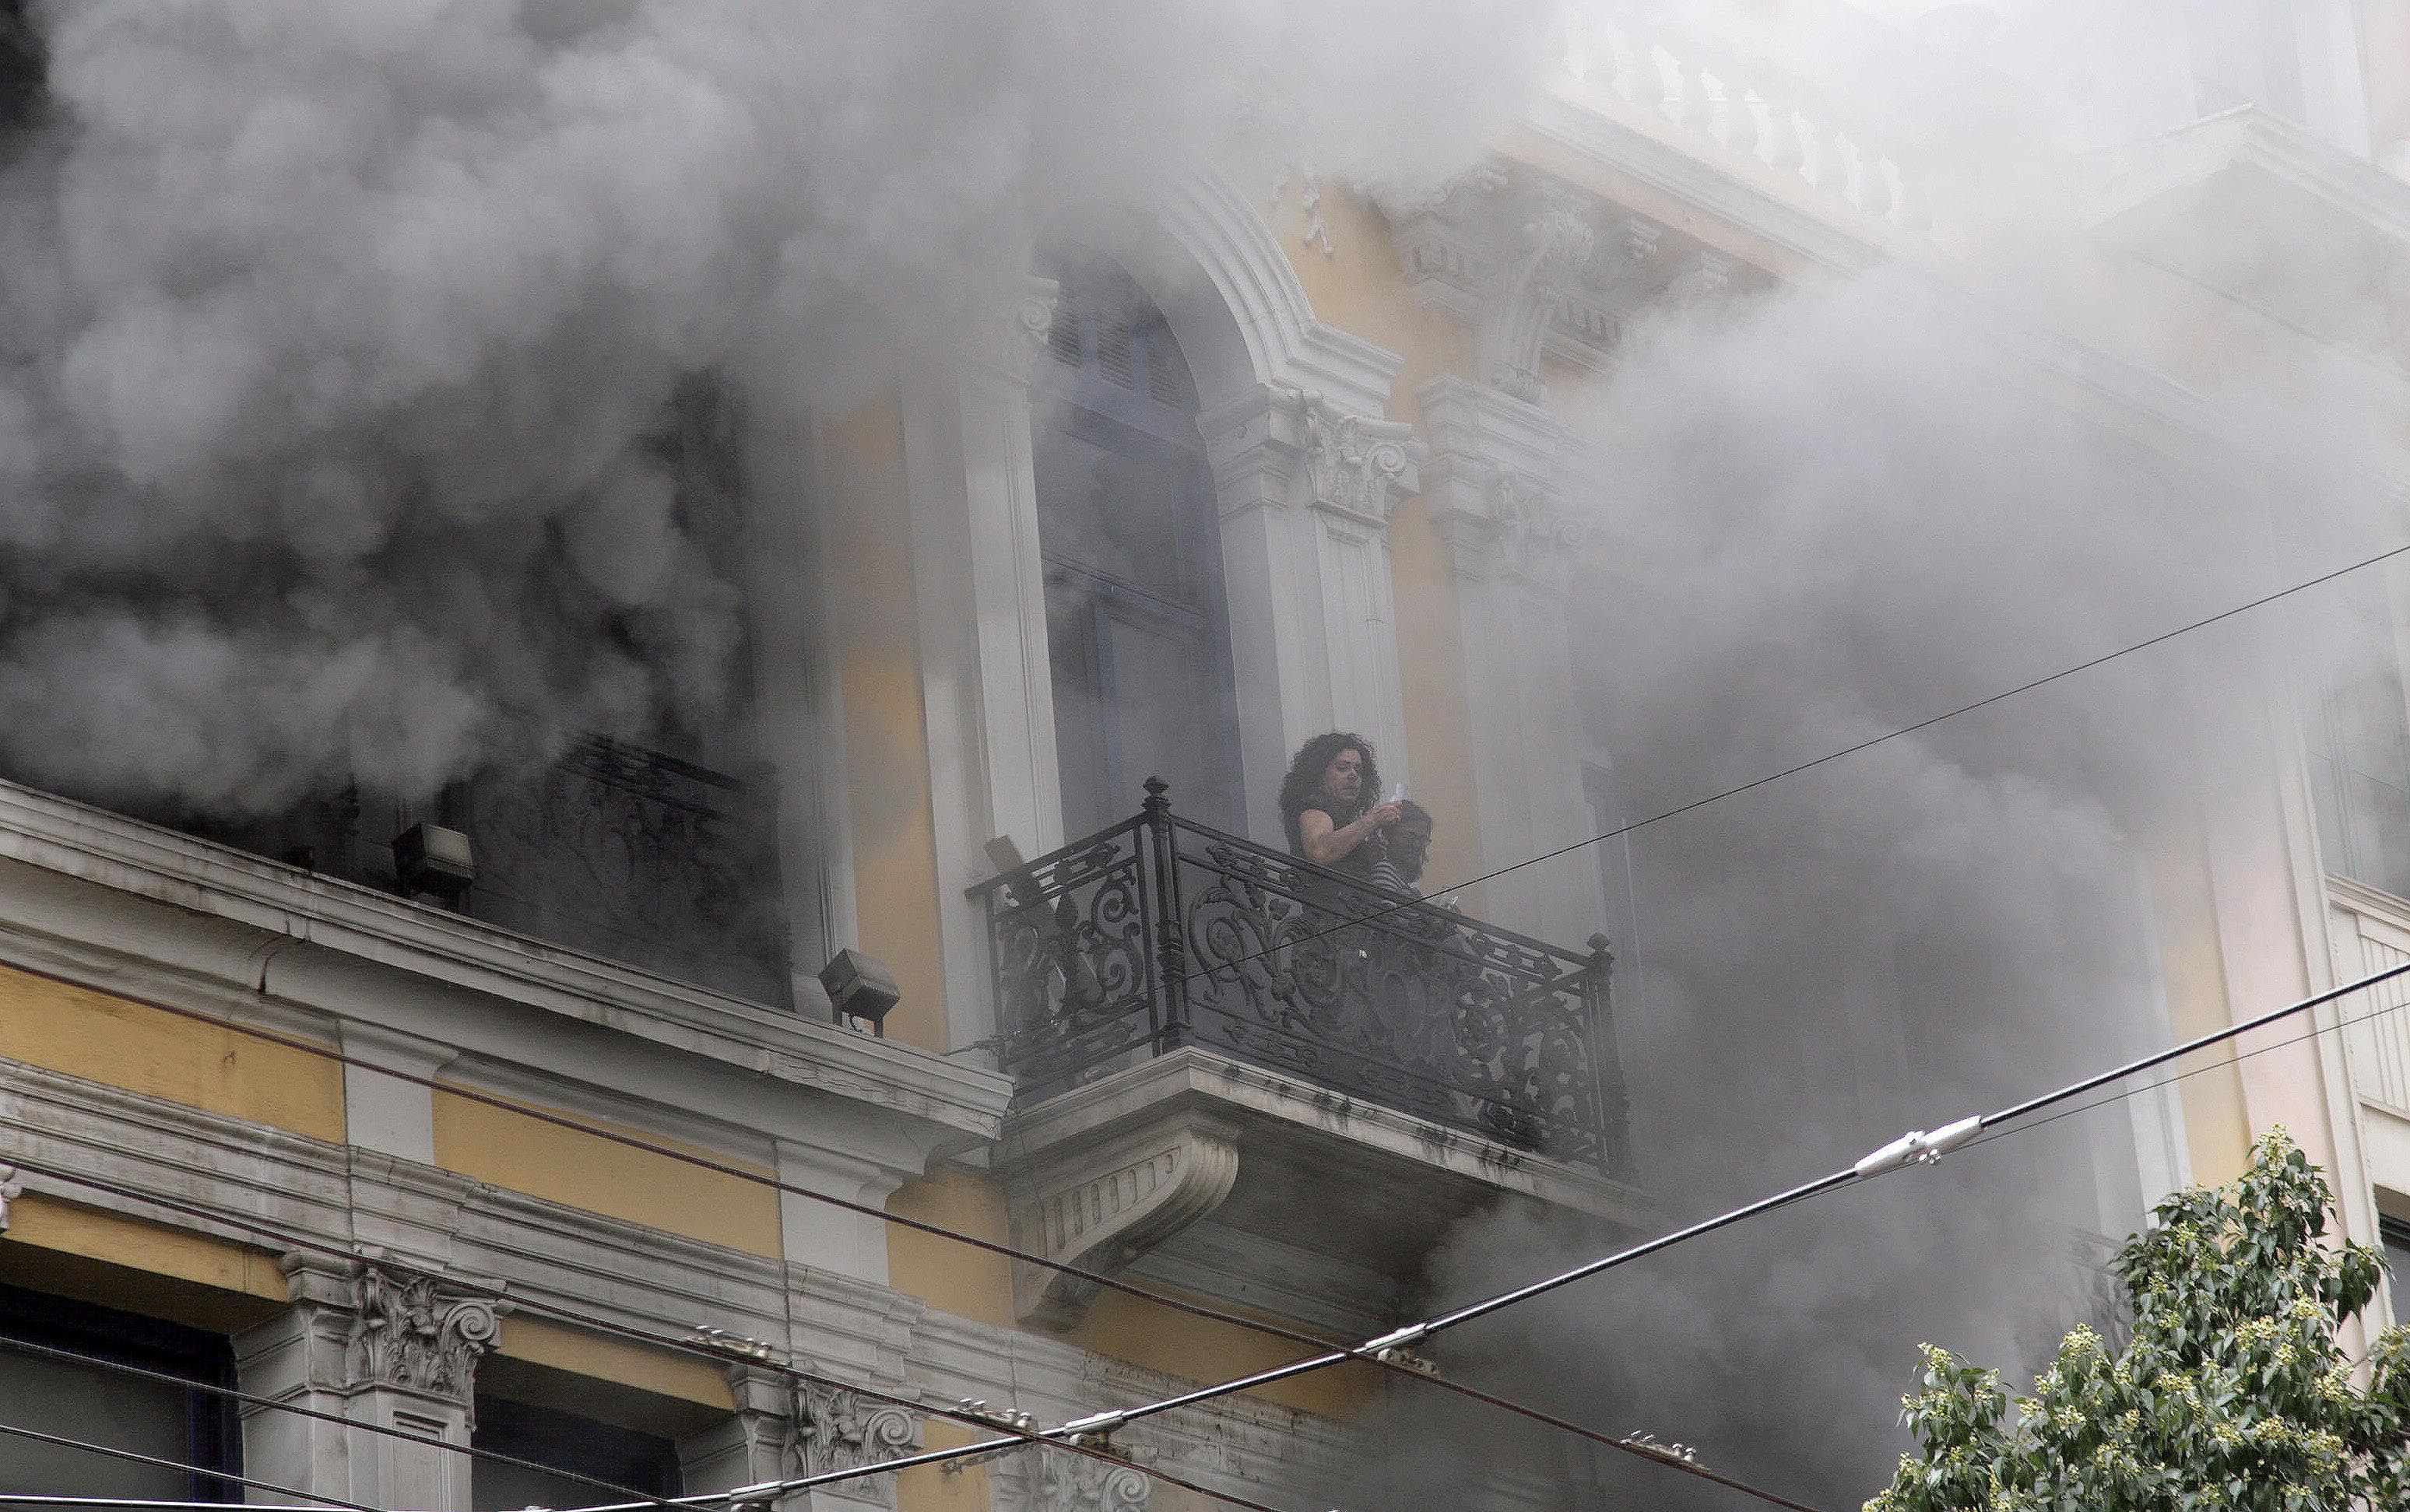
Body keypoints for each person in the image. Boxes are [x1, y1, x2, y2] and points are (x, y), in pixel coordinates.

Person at [1277, 731, 1403, 881]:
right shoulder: (1315, 809)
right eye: (1343, 767)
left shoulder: (1343, 816)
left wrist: (1370, 852)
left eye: (1359, 770)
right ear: (1320, 773)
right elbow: (1320, 851)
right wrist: (1373, 820)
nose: (1353, 775)